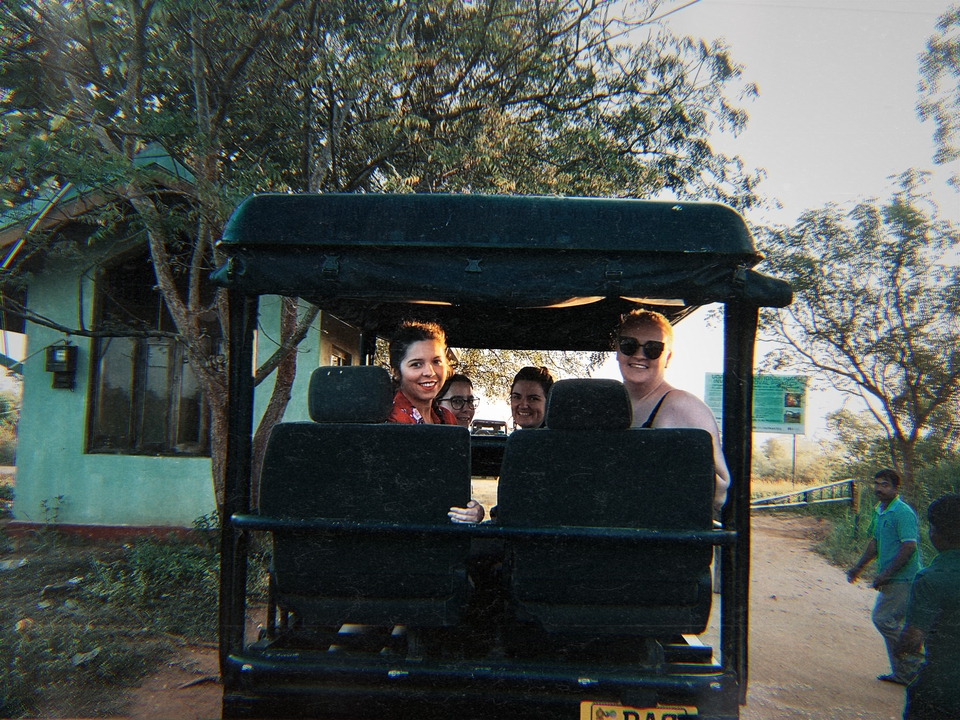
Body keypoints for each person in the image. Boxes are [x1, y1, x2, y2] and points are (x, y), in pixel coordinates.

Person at [615, 309, 730, 511]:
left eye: (653, 348)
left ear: (667, 357)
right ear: (617, 350)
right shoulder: (607, 403)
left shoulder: (681, 405)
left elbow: (718, 488)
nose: (639, 355)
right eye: (629, 345)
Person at [385, 320, 484, 524]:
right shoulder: (389, 420)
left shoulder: (446, 418)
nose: (429, 372)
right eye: (416, 364)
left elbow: (453, 489)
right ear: (397, 371)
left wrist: (472, 511)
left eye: (437, 361)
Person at [846, 469, 923, 686]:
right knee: (893, 621)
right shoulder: (879, 510)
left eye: (885, 484)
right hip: (891, 579)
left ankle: (917, 664)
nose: (879, 488)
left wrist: (886, 574)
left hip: (904, 578)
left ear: (896, 488)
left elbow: (909, 546)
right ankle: (902, 674)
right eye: (877, 483)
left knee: (884, 619)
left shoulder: (903, 512)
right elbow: (875, 543)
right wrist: (858, 567)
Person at [895, 494, 960, 720]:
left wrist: (901, 649)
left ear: (934, 532)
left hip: (943, 689)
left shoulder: (930, 579)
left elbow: (913, 637)